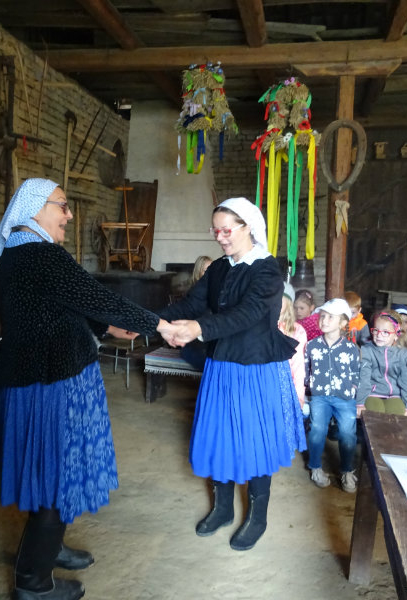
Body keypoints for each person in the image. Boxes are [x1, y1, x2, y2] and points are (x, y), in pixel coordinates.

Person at [0, 178, 173, 600]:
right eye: (63, 206)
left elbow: (59, 307)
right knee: (56, 477)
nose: (69, 215)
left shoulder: (20, 253)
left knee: (52, 475)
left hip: (41, 378)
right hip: (49, 385)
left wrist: (106, 328)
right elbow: (95, 297)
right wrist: (158, 325)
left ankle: (49, 549)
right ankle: (32, 584)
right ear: (36, 208)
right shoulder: (42, 255)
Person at [158, 197, 306, 552]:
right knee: (219, 436)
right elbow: (193, 304)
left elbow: (249, 314)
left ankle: (257, 517)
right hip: (221, 364)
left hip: (256, 368)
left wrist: (197, 328)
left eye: (226, 230)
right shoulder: (221, 268)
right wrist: (151, 320)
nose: (220, 237)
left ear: (248, 227)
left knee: (255, 442)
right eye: (215, 231)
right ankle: (223, 508)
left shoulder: (268, 270)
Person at [305, 298, 361, 493]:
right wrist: (307, 391)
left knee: (347, 433)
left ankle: (347, 470)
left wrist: (353, 391)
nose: (324, 320)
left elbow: (356, 373)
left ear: (343, 322)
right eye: (322, 316)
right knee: (317, 430)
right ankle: (315, 467)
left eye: (331, 317)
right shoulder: (311, 346)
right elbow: (306, 370)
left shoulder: (351, 348)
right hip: (319, 396)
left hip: (344, 398)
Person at [356, 309, 407, 416]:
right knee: (374, 415)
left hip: (396, 395)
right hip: (373, 393)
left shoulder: (403, 354)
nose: (379, 335)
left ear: (396, 335)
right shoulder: (366, 350)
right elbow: (364, 378)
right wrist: (359, 403)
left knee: (397, 415)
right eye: (376, 330)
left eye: (385, 332)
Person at [179, 255, 213, 371]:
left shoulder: (213, 291)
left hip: (207, 341)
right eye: (206, 271)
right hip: (192, 345)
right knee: (213, 363)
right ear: (198, 273)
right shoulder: (193, 294)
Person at [279, 282, 308, 410]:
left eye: (279, 298)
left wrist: (298, 396)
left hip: (287, 385)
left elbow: (298, 366)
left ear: (288, 303)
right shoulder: (261, 327)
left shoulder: (297, 331)